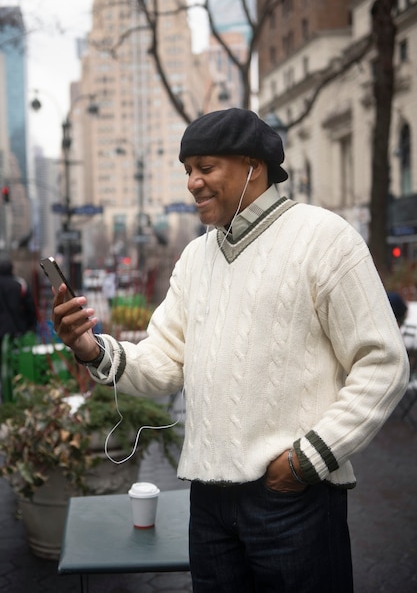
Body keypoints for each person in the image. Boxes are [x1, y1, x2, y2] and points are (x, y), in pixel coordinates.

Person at [52, 108, 409, 593]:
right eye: (187, 171)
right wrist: (91, 348)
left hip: (294, 501)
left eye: (205, 167)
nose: (193, 183)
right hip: (209, 506)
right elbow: (163, 363)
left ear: (253, 166)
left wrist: (305, 462)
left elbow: (382, 363)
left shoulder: (327, 239)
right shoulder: (195, 257)